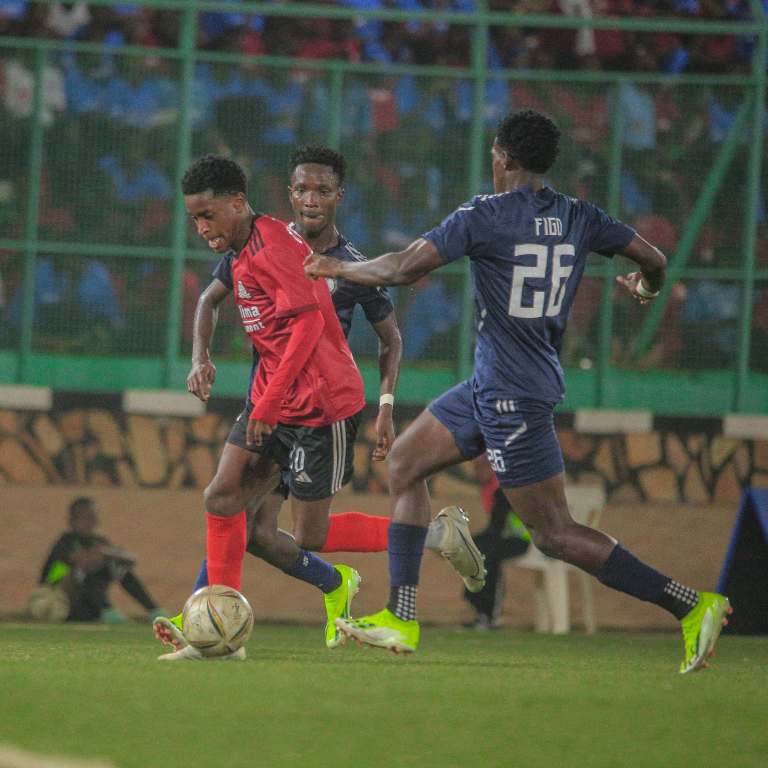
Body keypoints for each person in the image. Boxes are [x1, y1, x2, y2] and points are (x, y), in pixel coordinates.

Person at [305, 109, 731, 674]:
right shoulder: (581, 215)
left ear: (501, 157)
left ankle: (690, 604)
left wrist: (336, 267)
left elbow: (403, 268)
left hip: (513, 394)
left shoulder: (485, 214)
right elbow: (654, 259)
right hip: (495, 383)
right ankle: (401, 616)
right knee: (406, 462)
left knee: (554, 534)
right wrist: (646, 288)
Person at [158, 153, 482, 661]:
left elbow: (323, 327)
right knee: (225, 499)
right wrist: (207, 362)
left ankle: (432, 534)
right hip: (273, 396)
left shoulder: (308, 255)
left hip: (319, 405)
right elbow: (210, 301)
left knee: (309, 533)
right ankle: (214, 625)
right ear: (289, 193)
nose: (200, 228)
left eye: (207, 216)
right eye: (301, 189)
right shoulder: (250, 244)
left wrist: (384, 405)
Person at [39, 497, 160, 622]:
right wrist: (99, 555)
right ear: (72, 521)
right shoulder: (65, 541)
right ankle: (106, 610)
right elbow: (73, 564)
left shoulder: (99, 541)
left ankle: (154, 610)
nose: (90, 523)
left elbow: (131, 559)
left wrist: (107, 553)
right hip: (61, 601)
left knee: (118, 568)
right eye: (85, 518)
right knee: (83, 567)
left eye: (93, 518)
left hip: (90, 604)